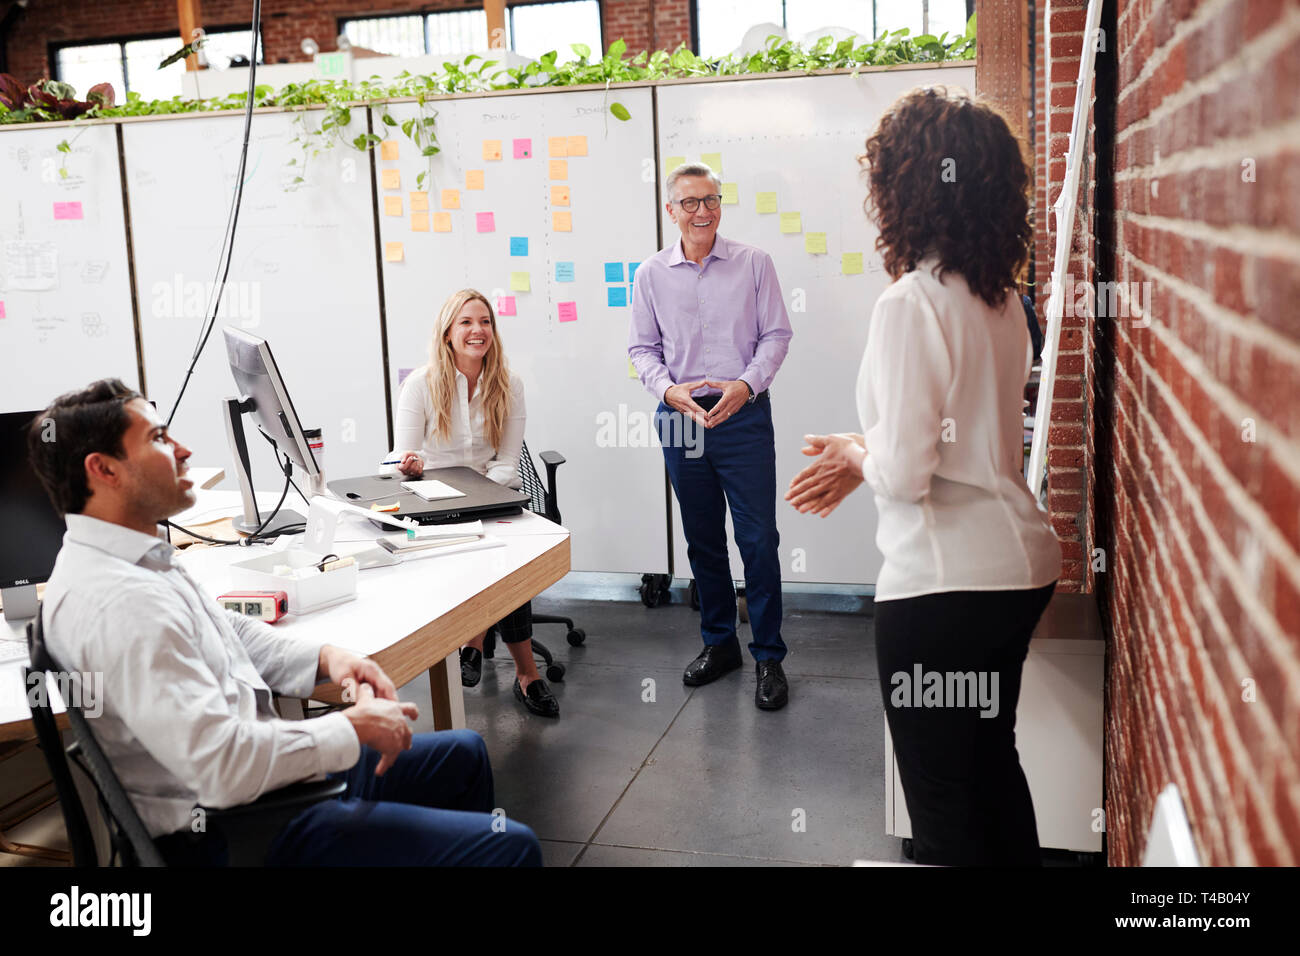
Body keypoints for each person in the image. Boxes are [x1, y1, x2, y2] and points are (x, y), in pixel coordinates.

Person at [29, 378, 541, 866]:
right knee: (511, 847)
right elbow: (224, 767)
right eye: (159, 438)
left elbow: (226, 630)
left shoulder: (132, 555)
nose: (182, 450)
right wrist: (351, 727)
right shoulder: (116, 602)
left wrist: (328, 658)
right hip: (241, 829)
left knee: (466, 753)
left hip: (262, 785)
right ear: (105, 470)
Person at [785, 87, 1062, 866]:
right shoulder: (1000, 299)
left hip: (944, 591)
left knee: (942, 814)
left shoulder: (909, 303)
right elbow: (950, 437)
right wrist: (859, 449)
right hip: (1016, 570)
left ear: (904, 187)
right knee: (991, 771)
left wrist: (856, 457)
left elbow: (906, 475)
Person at [628, 162, 794, 711]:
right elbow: (641, 350)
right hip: (681, 418)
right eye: (691, 202)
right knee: (702, 538)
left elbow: (776, 334)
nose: (703, 211)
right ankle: (720, 644)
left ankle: (769, 655)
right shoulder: (651, 274)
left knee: (757, 539)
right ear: (670, 211)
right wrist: (668, 391)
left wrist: (746, 385)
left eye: (712, 200)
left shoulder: (754, 263)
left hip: (742, 415)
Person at [384, 288, 557, 718]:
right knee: (477, 558)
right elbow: (396, 463)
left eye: (485, 322)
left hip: (493, 495)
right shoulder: (420, 385)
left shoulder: (508, 384)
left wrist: (480, 502)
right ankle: (513, 665)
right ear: (447, 334)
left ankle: (494, 654)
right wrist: (409, 466)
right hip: (434, 501)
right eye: (466, 322)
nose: (477, 330)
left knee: (510, 562)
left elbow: (507, 462)